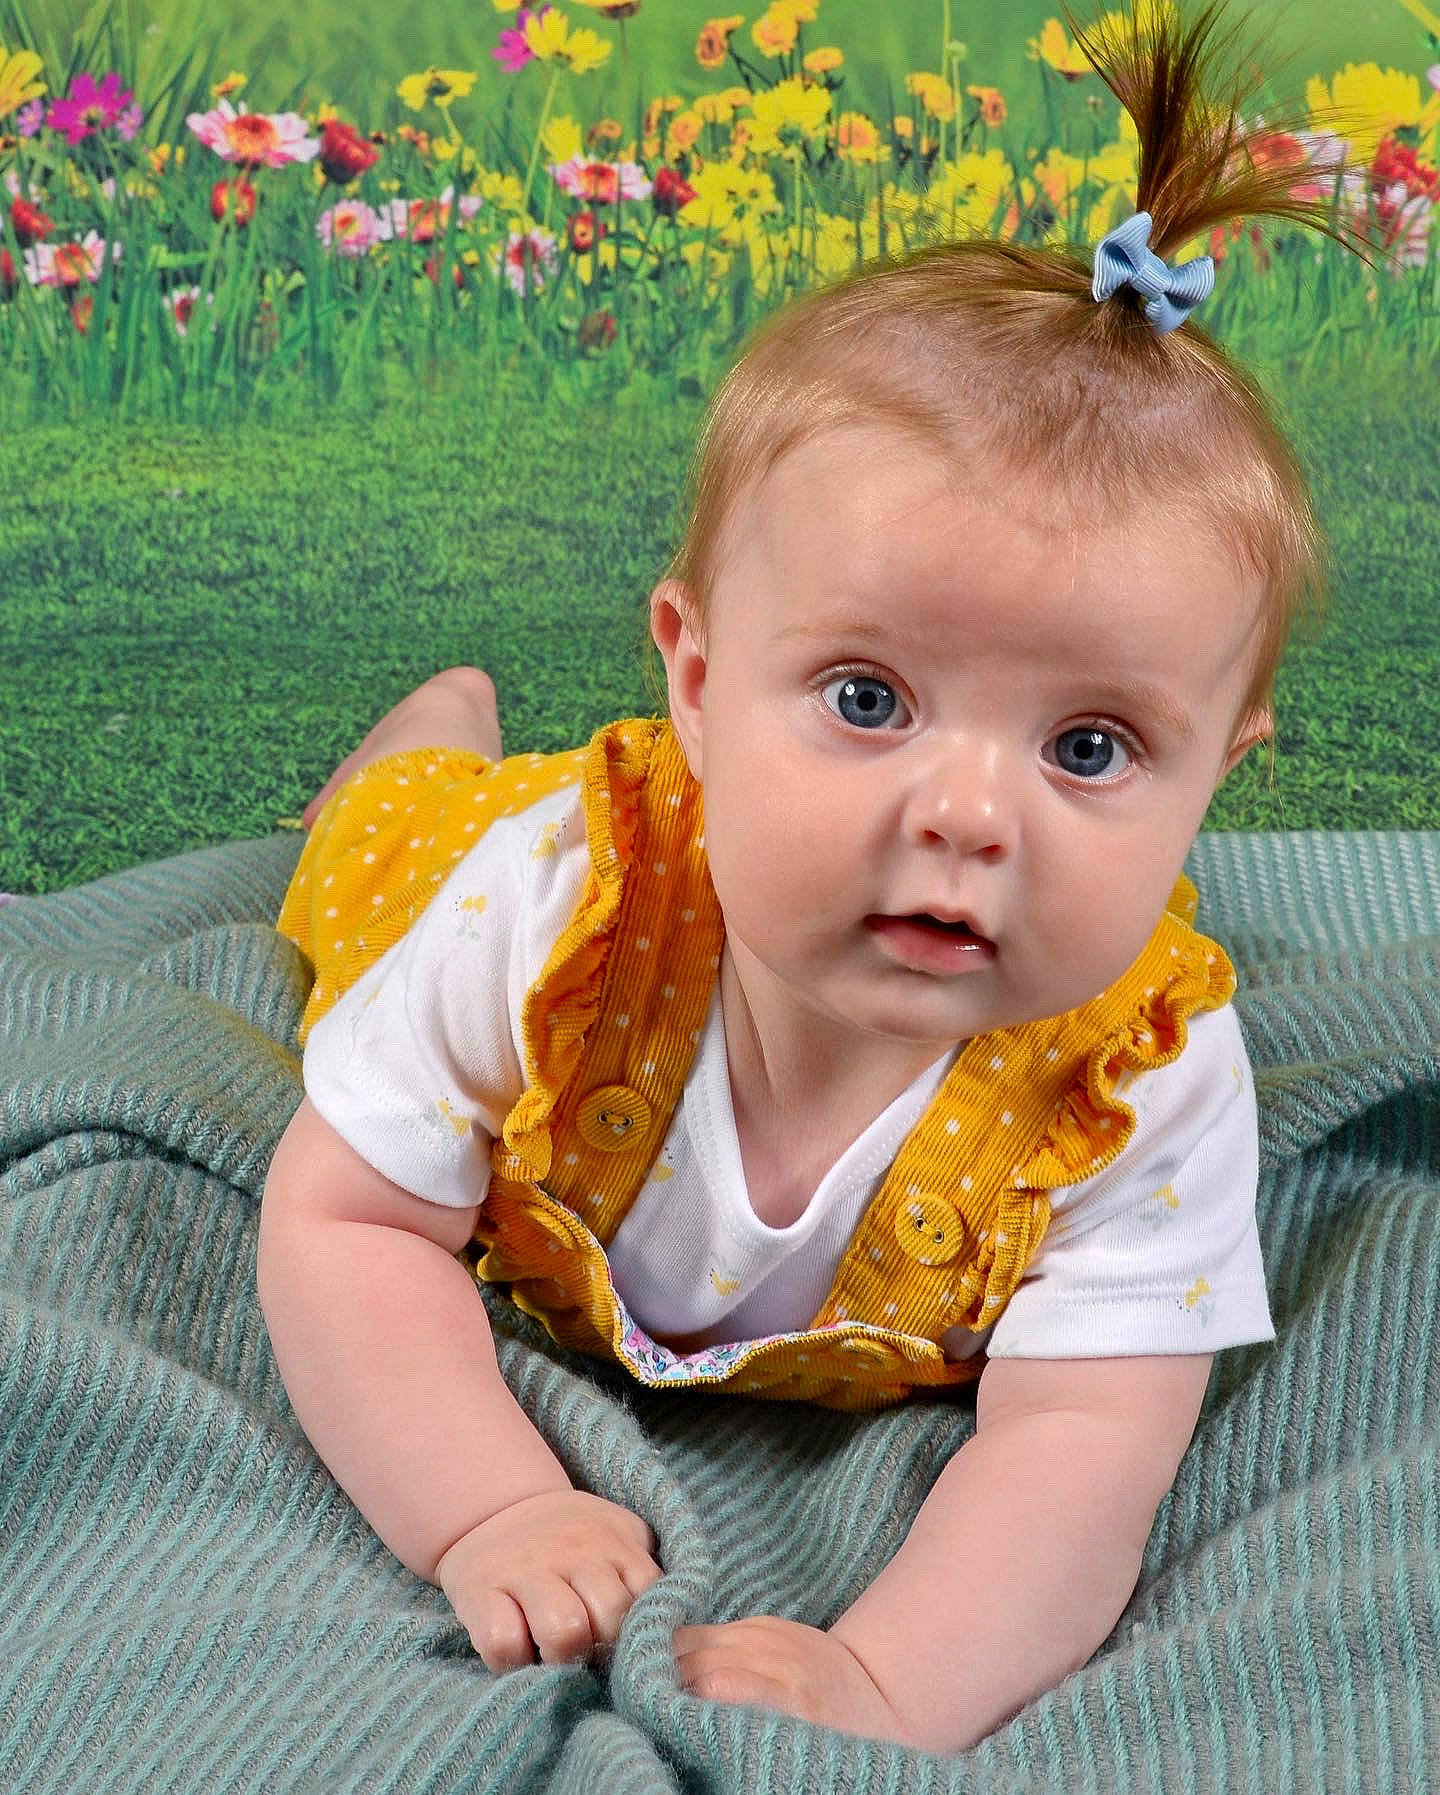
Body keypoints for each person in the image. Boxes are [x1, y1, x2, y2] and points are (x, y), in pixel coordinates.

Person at [258, 0, 1376, 1756]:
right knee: (374, 848)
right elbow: (344, 1221)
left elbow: (1085, 1444)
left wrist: (886, 1680)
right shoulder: (547, 912)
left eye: (1090, 749)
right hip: (460, 865)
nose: (972, 817)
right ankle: (422, 732)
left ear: (1213, 780)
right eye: (867, 700)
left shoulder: (1138, 1083)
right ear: (695, 682)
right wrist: (485, 1506)